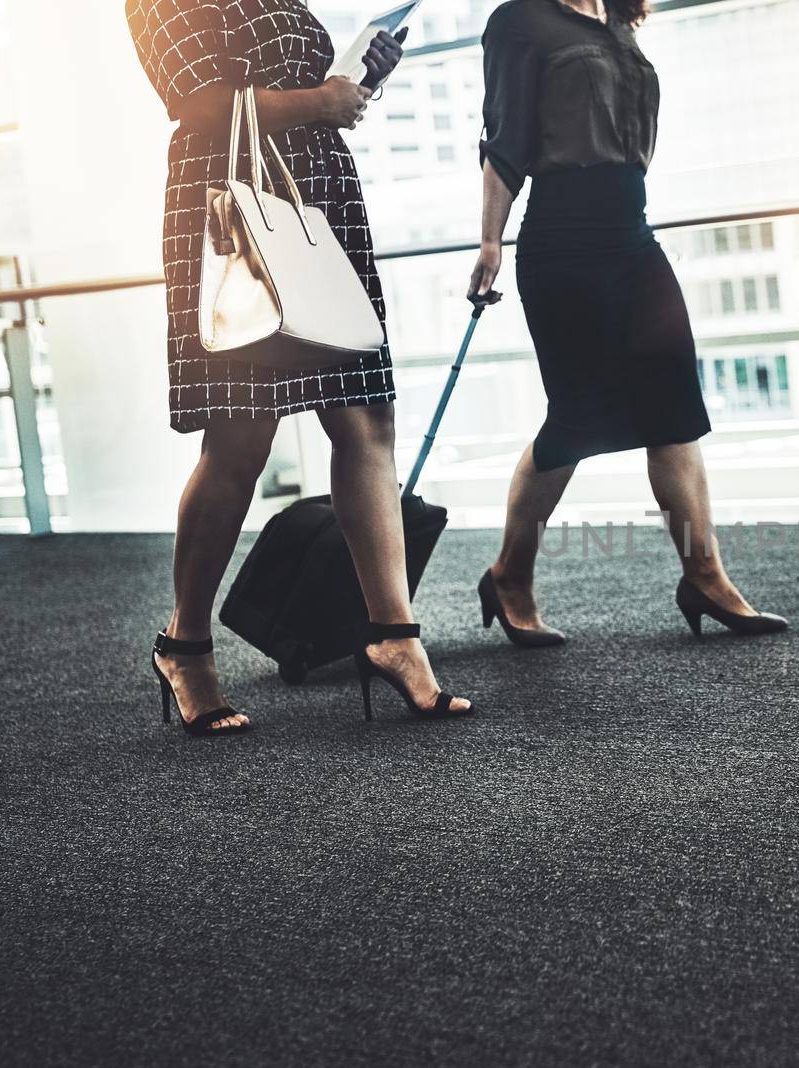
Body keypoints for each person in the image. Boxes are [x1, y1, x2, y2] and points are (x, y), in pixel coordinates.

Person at [126, 0, 470, 733]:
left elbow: (303, 85)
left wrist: (356, 77)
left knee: (367, 416)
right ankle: (184, 643)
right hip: (234, 217)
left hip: (320, 203)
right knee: (242, 440)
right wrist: (322, 101)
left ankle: (393, 636)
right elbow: (200, 107)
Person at [468, 0, 788, 646]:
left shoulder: (618, 24)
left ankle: (704, 573)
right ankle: (510, 576)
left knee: (675, 406)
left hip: (631, 237)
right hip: (563, 239)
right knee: (575, 419)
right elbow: (503, 143)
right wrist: (490, 242)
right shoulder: (520, 22)